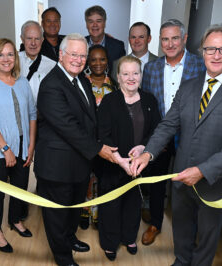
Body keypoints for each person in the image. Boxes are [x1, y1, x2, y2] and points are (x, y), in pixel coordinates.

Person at [131, 24, 222, 266]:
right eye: (210, 49)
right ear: (202, 52)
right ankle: (181, 260)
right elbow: (169, 124)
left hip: (215, 184)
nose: (216, 55)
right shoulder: (189, 87)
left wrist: (202, 171)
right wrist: (148, 153)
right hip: (181, 178)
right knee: (181, 228)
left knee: (208, 236)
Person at [34, 33, 117, 266]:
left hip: (79, 163)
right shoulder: (51, 85)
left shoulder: (81, 79)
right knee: (57, 215)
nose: (79, 60)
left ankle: (70, 239)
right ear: (61, 55)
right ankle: (62, 258)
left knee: (73, 209)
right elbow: (68, 126)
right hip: (57, 166)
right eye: (74, 54)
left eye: (83, 55)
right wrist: (98, 149)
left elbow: (90, 120)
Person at [139, 19, 206, 246]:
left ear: (184, 39)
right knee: (158, 183)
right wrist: (155, 137)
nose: (170, 44)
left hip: (191, 137)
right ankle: (156, 223)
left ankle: (191, 232)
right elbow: (147, 104)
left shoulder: (201, 65)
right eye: (165, 39)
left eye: (174, 38)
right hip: (162, 136)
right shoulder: (151, 68)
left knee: (191, 184)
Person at [97, 55, 161, 261]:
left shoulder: (150, 100)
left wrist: (144, 148)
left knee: (134, 203)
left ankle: (129, 237)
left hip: (139, 166)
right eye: (126, 73)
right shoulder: (109, 101)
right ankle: (109, 242)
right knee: (111, 205)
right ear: (118, 77)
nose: (131, 78)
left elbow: (157, 131)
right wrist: (119, 159)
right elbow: (102, 135)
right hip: (113, 164)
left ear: (141, 75)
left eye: (135, 73)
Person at [0, 38, 37, 253]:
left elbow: (32, 114)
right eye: (1, 54)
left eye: (10, 54)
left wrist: (31, 145)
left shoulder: (22, 82)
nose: (6, 59)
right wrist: (5, 149)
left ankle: (15, 219)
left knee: (20, 188)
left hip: (22, 146)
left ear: (16, 57)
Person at [79, 44, 116, 230]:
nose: (98, 63)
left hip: (107, 142)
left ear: (107, 61)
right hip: (86, 140)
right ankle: (84, 211)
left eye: (102, 59)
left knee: (102, 178)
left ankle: (98, 213)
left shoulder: (115, 84)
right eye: (93, 59)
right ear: (88, 62)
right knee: (85, 177)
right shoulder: (81, 83)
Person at [19, 20, 56, 103]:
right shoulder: (12, 61)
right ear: (22, 39)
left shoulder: (52, 66)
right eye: (29, 38)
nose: (33, 43)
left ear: (42, 40)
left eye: (37, 39)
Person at [84, 5, 126, 71]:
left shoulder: (118, 47)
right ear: (86, 24)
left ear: (104, 23)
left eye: (98, 21)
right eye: (91, 21)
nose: (95, 25)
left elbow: (120, 73)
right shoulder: (80, 44)